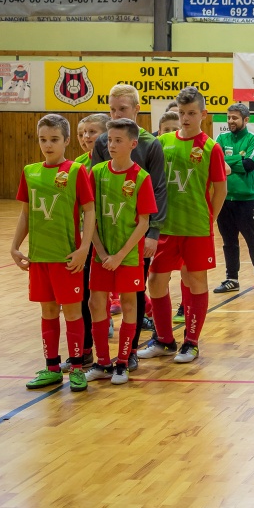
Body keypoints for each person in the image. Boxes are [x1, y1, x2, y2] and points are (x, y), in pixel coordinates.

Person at [137, 87, 227, 365]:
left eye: (191, 113)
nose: (186, 118)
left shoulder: (211, 147)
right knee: (155, 280)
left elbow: (220, 189)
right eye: (182, 112)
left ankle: (191, 342)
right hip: (165, 226)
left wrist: (209, 219)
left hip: (196, 228)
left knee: (195, 280)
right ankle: (164, 340)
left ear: (203, 114)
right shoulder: (162, 142)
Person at [11, 114, 96, 392]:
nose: (48, 145)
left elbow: (89, 211)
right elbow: (26, 213)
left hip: (66, 257)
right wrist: (15, 246)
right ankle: (51, 368)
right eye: (43, 139)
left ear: (67, 141)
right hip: (39, 257)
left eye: (54, 139)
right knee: (47, 311)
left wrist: (84, 248)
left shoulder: (76, 171)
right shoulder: (30, 172)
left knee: (72, 312)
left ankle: (76, 368)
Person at [91, 84, 167, 369]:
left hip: (136, 235)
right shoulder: (102, 143)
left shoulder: (150, 144)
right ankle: (98, 355)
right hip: (104, 234)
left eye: (122, 109)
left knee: (132, 296)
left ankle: (130, 351)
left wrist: (153, 233)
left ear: (136, 109)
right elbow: (95, 193)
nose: (116, 114)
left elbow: (159, 189)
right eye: (112, 109)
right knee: (97, 297)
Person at [85, 119, 159, 386]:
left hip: (128, 256)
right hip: (101, 255)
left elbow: (144, 222)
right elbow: (89, 216)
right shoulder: (97, 172)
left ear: (133, 144)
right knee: (96, 303)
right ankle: (102, 362)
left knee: (129, 304)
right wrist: (101, 250)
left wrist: (119, 255)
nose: (111, 145)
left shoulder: (141, 177)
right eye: (109, 140)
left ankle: (123, 362)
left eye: (118, 140)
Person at [214, 103, 254, 296]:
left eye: (235, 118)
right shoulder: (221, 139)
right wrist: (236, 160)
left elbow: (249, 164)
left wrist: (227, 162)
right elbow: (215, 163)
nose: (231, 121)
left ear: (245, 120)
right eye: (229, 117)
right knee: (228, 242)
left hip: (247, 201)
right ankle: (232, 279)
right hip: (224, 200)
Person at [73, 113, 110, 367]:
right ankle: (85, 350)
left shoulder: (117, 164)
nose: (86, 137)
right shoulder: (78, 165)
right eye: (82, 133)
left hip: (113, 238)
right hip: (85, 239)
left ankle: (123, 354)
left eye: (92, 132)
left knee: (127, 295)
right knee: (85, 297)